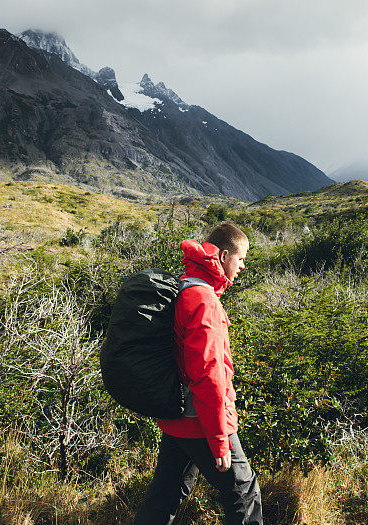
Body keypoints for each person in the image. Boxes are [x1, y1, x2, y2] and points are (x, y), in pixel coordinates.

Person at [133, 223, 263, 525]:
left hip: (177, 417)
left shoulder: (184, 286)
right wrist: (219, 437)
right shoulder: (205, 301)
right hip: (201, 420)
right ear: (224, 255)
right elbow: (209, 374)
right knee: (244, 493)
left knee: (164, 494)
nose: (242, 266)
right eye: (241, 259)